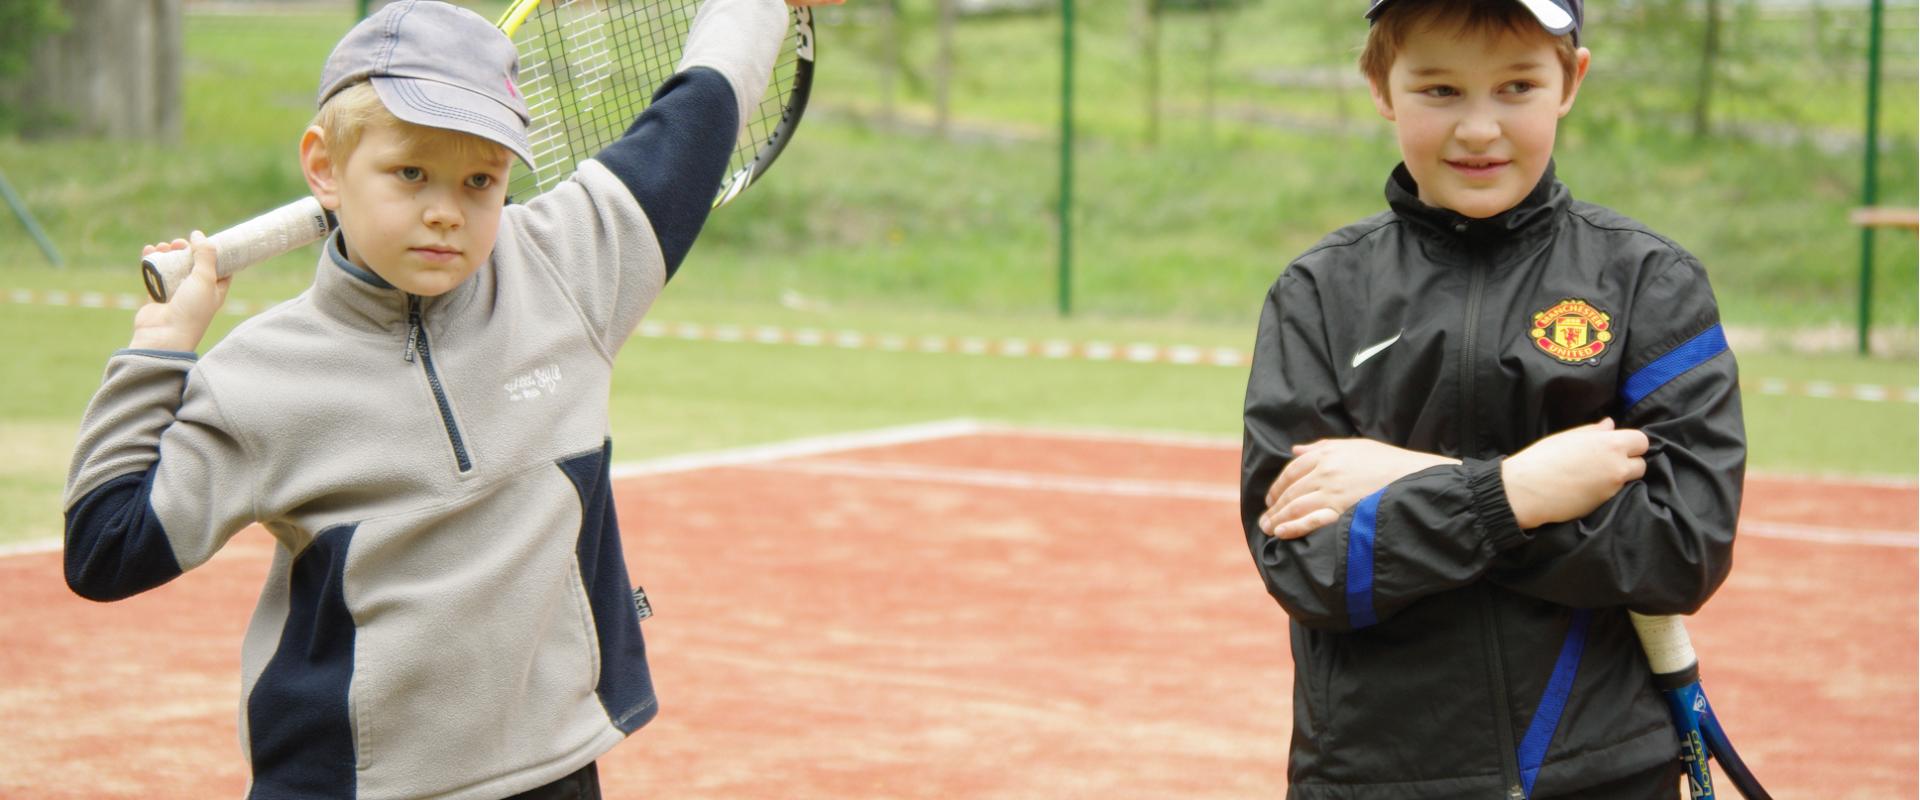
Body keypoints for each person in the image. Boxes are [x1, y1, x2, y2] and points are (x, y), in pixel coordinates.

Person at [62, 1, 837, 797]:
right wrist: (160, 347)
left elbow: (700, 113)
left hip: (554, 770)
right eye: (410, 173)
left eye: (480, 180)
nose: (446, 211)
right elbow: (106, 549)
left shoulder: (568, 273)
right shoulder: (260, 378)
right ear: (324, 165)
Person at [1238, 0, 1746, 797]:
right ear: (1381, 86)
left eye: (1515, 87)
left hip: (1603, 771)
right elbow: (1310, 571)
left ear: (1570, 81)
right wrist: (1515, 493)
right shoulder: (1319, 295)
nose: (1479, 129)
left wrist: (1410, 480)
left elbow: (1679, 552)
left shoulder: (1650, 284)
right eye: (1440, 91)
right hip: (1373, 776)